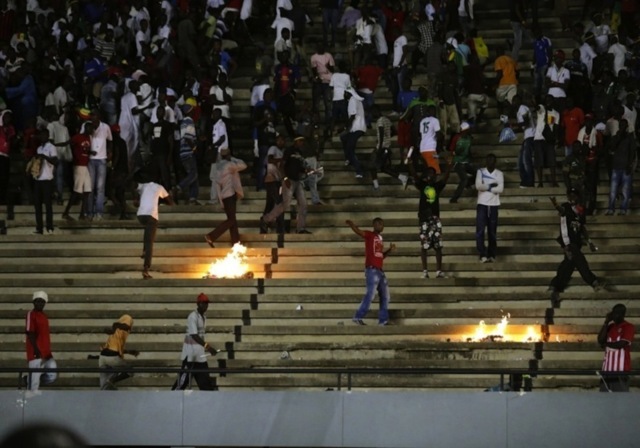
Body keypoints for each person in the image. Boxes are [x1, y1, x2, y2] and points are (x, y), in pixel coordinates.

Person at [548, 189, 604, 307]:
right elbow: (562, 219)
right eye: (570, 195)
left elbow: (582, 227)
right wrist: (566, 247)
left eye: (575, 195)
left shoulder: (581, 210)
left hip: (577, 243)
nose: (572, 197)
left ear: (578, 197)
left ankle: (555, 286)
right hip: (569, 243)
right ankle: (593, 282)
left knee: (568, 266)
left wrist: (590, 242)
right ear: (568, 196)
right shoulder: (566, 207)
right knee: (581, 261)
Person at [346, 218, 395, 326]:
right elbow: (359, 232)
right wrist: (352, 224)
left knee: (385, 295)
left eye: (382, 224)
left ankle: (383, 320)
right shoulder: (369, 235)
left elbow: (380, 256)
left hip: (380, 270)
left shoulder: (380, 239)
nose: (380, 225)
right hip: (372, 270)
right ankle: (358, 316)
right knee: (371, 294)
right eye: (378, 224)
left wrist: (389, 251)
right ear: (374, 225)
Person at [415, 157, 453, 279]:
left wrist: (449, 167)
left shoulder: (437, 186)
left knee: (438, 246)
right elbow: (414, 176)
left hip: (435, 218)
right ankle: (425, 271)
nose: (432, 176)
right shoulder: (422, 185)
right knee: (424, 245)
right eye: (430, 173)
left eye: (434, 174)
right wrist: (410, 164)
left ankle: (438, 271)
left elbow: (445, 178)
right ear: (426, 175)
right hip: (424, 219)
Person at [172, 293, 219, 390]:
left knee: (205, 384)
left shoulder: (203, 317)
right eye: (203, 303)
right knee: (181, 383)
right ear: (198, 304)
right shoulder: (192, 316)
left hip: (200, 356)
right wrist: (208, 347)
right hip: (190, 356)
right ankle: (172, 400)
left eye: (207, 303)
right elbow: (194, 335)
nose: (206, 306)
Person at [205, 147, 247, 247]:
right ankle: (211, 236)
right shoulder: (229, 165)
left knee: (232, 220)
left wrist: (220, 200)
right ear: (228, 155)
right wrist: (233, 158)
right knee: (231, 220)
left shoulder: (217, 167)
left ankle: (236, 243)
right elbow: (244, 165)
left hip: (224, 196)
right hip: (230, 195)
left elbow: (217, 186)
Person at [136, 173, 174, 279]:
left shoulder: (143, 186)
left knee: (147, 232)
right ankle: (146, 269)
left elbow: (135, 187)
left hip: (140, 215)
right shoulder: (159, 187)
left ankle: (144, 251)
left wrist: (137, 199)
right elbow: (170, 201)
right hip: (151, 216)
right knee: (150, 243)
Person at [598, 304, 635, 392]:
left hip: (620, 370)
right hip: (607, 370)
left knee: (620, 399)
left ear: (622, 314)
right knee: (604, 399)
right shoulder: (610, 327)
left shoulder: (628, 327)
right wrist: (606, 322)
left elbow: (621, 344)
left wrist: (606, 344)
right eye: (613, 313)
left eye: (617, 313)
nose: (614, 316)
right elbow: (600, 340)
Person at [25, 290, 57, 391]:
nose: (39, 303)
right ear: (33, 302)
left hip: (47, 353)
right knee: (33, 385)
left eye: (42, 301)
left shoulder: (44, 316)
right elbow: (30, 333)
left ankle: (27, 379)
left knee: (52, 374)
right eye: (37, 301)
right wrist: (36, 350)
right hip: (36, 353)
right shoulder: (31, 314)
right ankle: (31, 398)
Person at [99, 314, 140, 390]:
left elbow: (115, 348)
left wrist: (129, 352)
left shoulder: (115, 333)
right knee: (130, 370)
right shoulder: (121, 330)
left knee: (104, 385)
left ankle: (108, 388)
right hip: (112, 358)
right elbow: (120, 325)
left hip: (102, 357)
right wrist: (117, 326)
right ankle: (112, 380)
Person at [475, 154, 504, 263]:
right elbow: (478, 186)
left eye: (492, 160)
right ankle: (482, 253)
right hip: (482, 203)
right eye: (488, 160)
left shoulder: (499, 173)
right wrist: (492, 186)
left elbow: (501, 189)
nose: (490, 162)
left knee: (492, 231)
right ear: (486, 161)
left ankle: (491, 254)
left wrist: (486, 187)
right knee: (480, 230)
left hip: (494, 204)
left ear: (495, 162)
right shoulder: (480, 172)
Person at [62, 122, 93, 221]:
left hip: (85, 166)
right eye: (89, 128)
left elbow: (86, 150)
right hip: (79, 166)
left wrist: (90, 152)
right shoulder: (78, 137)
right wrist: (55, 144)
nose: (90, 130)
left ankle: (81, 214)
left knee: (87, 191)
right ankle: (66, 213)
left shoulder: (89, 138)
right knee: (77, 191)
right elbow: (68, 143)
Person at [605, 119, 636, 216]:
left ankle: (623, 209)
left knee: (625, 191)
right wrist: (618, 136)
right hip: (616, 167)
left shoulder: (630, 138)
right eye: (621, 125)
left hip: (626, 167)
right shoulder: (615, 137)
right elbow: (611, 147)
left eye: (624, 125)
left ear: (626, 127)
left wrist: (630, 165)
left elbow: (632, 152)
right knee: (613, 190)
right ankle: (611, 209)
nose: (622, 127)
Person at [33, 128, 58, 235]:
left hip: (47, 179)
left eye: (44, 135)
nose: (42, 137)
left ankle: (50, 227)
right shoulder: (38, 148)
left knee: (48, 205)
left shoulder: (51, 147)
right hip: (38, 179)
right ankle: (39, 228)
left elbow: (55, 161)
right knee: (37, 205)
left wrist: (45, 157)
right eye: (41, 135)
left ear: (47, 136)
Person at [449, 121, 475, 203]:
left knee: (479, 173)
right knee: (464, 179)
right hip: (458, 162)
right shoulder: (456, 137)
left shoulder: (469, 138)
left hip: (466, 162)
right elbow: (451, 150)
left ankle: (469, 183)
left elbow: (469, 150)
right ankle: (454, 198)